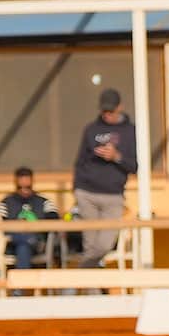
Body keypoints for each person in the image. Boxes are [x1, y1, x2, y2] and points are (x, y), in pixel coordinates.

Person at [72, 88, 137, 268]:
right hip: (87, 193)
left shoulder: (131, 132)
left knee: (104, 245)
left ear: (120, 108)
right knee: (90, 244)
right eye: (104, 111)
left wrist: (117, 157)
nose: (107, 115)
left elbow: (136, 166)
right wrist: (77, 189)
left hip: (113, 196)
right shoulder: (91, 129)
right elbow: (79, 161)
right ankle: (91, 292)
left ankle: (76, 279)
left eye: (111, 111)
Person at [0, 166, 60, 269]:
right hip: (13, 242)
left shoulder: (43, 202)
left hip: (37, 241)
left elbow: (54, 221)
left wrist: (35, 227)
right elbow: (0, 224)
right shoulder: (6, 203)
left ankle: (21, 284)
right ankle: (23, 282)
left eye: (27, 184)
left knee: (25, 245)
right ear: (16, 182)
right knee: (23, 244)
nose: (24, 189)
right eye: (21, 185)